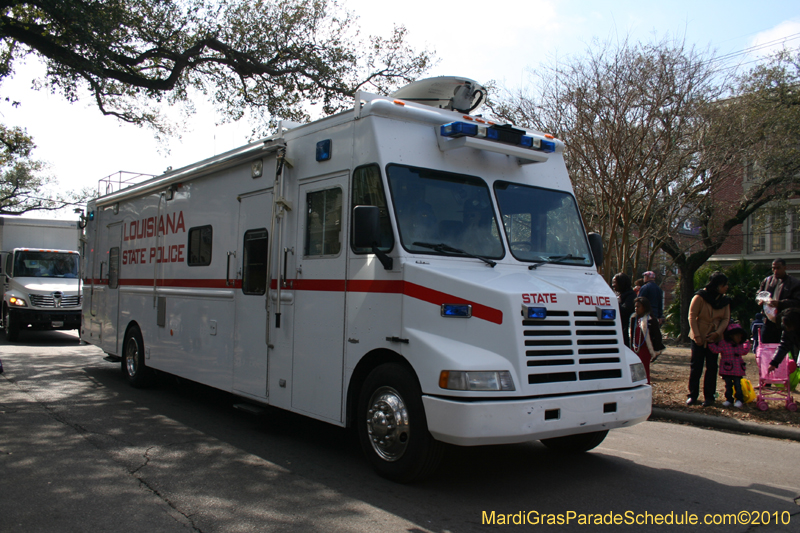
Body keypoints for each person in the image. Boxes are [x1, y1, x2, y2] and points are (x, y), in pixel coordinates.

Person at [687, 272, 731, 407]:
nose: (726, 287)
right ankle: (693, 395)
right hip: (699, 336)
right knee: (696, 366)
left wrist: (717, 333)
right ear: (717, 285)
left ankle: (709, 396)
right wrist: (697, 336)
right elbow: (692, 316)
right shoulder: (700, 297)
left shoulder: (724, 300)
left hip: (714, 338)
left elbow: (725, 318)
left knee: (712, 367)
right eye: (724, 285)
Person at [708, 323, 750, 408]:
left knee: (738, 385)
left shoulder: (740, 345)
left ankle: (739, 399)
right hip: (727, 369)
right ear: (731, 336)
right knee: (728, 385)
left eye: (740, 336)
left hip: (738, 370)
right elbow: (716, 350)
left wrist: (747, 344)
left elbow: (744, 351)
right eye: (737, 336)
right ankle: (729, 399)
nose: (739, 338)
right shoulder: (723, 343)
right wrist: (710, 343)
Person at [758, 258, 800, 343]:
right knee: (766, 346)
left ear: (784, 268)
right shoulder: (767, 281)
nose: (775, 271)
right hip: (768, 320)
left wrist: (779, 303)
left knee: (783, 347)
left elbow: (797, 302)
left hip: (785, 321)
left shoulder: (794, 283)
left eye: (778, 268)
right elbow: (759, 294)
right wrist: (760, 301)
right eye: (773, 268)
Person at [629, 296, 664, 384]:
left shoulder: (650, 320)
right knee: (634, 370)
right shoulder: (633, 319)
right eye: (635, 307)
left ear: (644, 307)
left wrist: (656, 350)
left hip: (644, 349)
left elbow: (657, 335)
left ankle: (645, 387)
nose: (636, 309)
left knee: (644, 369)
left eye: (638, 306)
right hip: (635, 348)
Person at [766, 308, 800, 374]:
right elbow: (784, 345)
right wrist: (774, 362)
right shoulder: (788, 331)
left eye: (789, 326)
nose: (787, 328)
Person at [612, 272, 636, 349]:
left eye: (615, 282)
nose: (613, 285)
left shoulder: (631, 295)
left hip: (625, 328)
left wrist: (615, 303)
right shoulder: (617, 294)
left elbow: (625, 311)